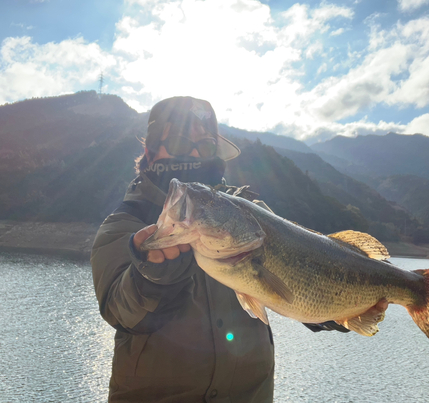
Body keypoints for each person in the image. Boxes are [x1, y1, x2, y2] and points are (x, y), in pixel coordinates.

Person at [91, 96, 388, 402]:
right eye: (180, 143)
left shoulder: (254, 214)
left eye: (205, 147)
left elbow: (299, 285)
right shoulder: (123, 225)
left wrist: (340, 310)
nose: (194, 154)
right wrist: (153, 277)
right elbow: (120, 311)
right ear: (150, 152)